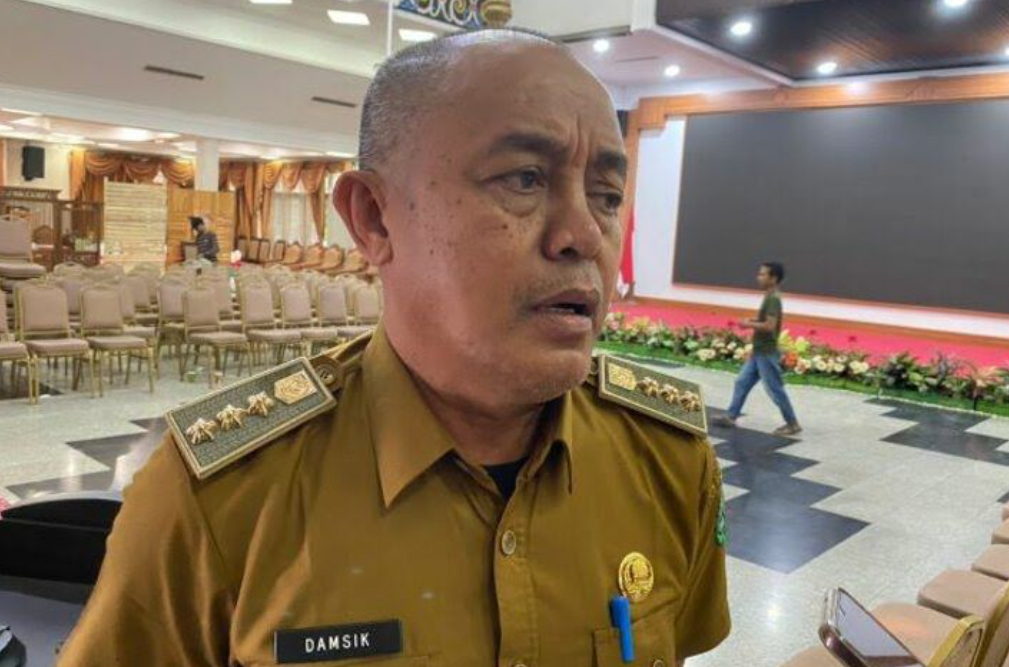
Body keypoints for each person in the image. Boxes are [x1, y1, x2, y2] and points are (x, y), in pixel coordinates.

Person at [56, 28, 729, 667]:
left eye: (607, 195)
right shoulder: (221, 497)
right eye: (524, 179)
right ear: (374, 218)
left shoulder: (668, 460)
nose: (583, 234)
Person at [717, 261, 802, 436]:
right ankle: (731, 416)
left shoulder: (773, 299)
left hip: (766, 353)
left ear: (773, 278)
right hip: (759, 352)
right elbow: (766, 322)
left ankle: (792, 424)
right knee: (742, 382)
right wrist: (753, 321)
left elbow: (770, 326)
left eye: (763, 274)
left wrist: (748, 324)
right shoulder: (770, 296)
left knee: (774, 389)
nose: (759, 277)